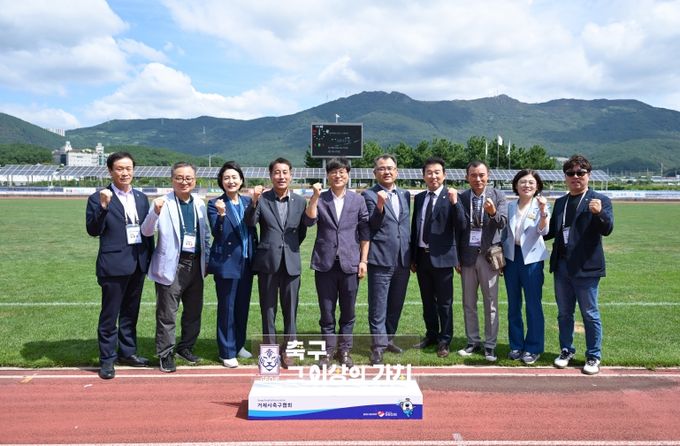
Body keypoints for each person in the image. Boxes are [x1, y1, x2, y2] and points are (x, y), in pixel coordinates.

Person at [85, 152, 154, 380]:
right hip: (113, 264)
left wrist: (149, 259)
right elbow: (93, 230)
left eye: (128, 168)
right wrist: (103, 207)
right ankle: (107, 359)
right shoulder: (98, 197)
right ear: (110, 171)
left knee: (130, 313)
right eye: (119, 169)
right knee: (110, 315)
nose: (124, 173)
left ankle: (128, 352)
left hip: (138, 263)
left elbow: (147, 231)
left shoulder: (141, 198)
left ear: (133, 170)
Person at [545, 154, 614, 375]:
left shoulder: (599, 200)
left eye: (580, 173)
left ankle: (593, 356)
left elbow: (607, 229)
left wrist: (599, 213)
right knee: (564, 313)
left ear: (588, 175)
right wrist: (535, 220)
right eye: (570, 173)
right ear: (565, 177)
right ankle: (566, 350)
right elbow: (550, 232)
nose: (575, 176)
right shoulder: (561, 202)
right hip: (562, 266)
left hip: (586, 267)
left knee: (589, 313)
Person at [141, 162, 210, 373]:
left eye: (188, 178)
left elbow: (205, 234)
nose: (184, 181)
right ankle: (165, 353)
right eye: (179, 177)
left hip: (196, 264)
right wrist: (155, 212)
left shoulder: (199, 203)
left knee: (193, 311)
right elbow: (146, 231)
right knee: (167, 313)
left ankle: (185, 348)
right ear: (172, 180)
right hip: (173, 264)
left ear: (195, 181)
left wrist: (207, 260)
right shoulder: (162, 202)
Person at [304, 158, 370, 368]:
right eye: (333, 172)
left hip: (350, 263)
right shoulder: (321, 198)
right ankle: (328, 351)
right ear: (327, 175)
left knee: (348, 312)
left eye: (342, 172)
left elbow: (365, 232)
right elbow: (309, 220)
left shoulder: (357, 200)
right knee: (327, 311)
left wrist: (363, 260)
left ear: (348, 175)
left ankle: (345, 351)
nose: (338, 175)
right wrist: (315, 197)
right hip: (325, 263)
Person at [244, 157, 310, 368]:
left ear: (291, 175)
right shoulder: (262, 199)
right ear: (271, 175)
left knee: (291, 310)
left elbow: (301, 232)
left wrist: (289, 248)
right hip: (268, 262)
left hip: (291, 262)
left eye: (285, 172)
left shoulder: (300, 201)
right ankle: (270, 351)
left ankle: (289, 349)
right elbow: (250, 223)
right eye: (277, 172)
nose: (281, 176)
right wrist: (254, 201)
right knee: (268, 309)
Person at [410, 157, 465, 358]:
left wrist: (455, 203)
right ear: (424, 175)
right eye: (429, 172)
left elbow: (461, 225)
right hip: (422, 257)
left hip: (443, 258)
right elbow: (415, 227)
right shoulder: (420, 198)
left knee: (444, 303)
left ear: (444, 175)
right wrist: (413, 257)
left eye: (437, 172)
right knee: (427, 301)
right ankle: (431, 335)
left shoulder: (452, 195)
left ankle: (445, 340)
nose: (433, 176)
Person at [207, 161, 258, 368]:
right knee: (227, 308)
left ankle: (238, 344)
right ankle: (226, 351)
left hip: (247, 262)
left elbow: (253, 226)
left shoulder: (247, 201)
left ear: (241, 180)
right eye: (226, 178)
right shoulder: (215, 203)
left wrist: (255, 202)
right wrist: (221, 216)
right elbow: (217, 233)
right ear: (221, 181)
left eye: (234, 177)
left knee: (242, 306)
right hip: (227, 263)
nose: (231, 181)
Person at [362, 154, 411, 365]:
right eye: (382, 168)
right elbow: (371, 224)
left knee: (396, 304)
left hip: (403, 259)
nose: (387, 171)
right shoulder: (369, 195)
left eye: (390, 168)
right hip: (380, 258)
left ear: (397, 172)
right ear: (375, 173)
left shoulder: (404, 194)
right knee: (378, 306)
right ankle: (378, 347)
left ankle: (389, 339)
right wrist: (380, 206)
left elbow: (405, 226)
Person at [457, 160, 507, 362]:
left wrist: (493, 213)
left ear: (488, 175)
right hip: (467, 257)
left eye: (481, 175)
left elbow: (503, 223)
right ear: (467, 177)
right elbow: (457, 229)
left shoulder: (498, 196)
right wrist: (457, 258)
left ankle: (490, 345)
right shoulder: (461, 197)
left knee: (491, 303)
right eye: (473, 175)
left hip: (489, 257)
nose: (477, 179)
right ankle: (473, 341)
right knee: (468, 302)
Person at [501, 169, 550, 365]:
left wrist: (544, 212)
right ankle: (516, 345)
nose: (527, 185)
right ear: (516, 185)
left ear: (537, 187)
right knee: (513, 304)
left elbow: (543, 231)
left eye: (531, 182)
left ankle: (533, 347)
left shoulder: (541, 205)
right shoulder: (509, 206)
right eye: (523, 182)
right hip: (511, 258)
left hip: (532, 260)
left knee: (533, 305)